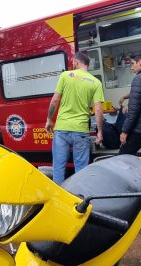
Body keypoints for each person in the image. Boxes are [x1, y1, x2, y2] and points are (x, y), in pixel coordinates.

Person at [45, 51, 104, 184]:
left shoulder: (65, 75)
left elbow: (55, 100)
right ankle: (79, 199)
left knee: (58, 168)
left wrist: (49, 119)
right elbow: (98, 109)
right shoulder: (95, 82)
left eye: (73, 62)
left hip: (62, 129)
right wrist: (100, 132)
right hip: (81, 130)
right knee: (81, 170)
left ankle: (59, 199)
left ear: (77, 62)